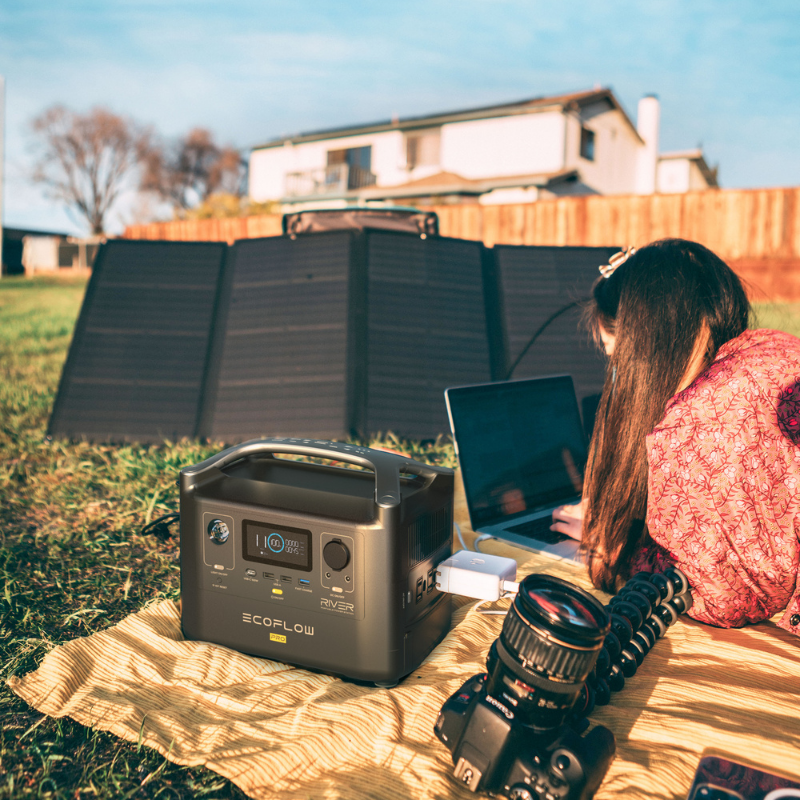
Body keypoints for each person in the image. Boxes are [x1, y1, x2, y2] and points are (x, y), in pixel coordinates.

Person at [549, 238, 800, 636]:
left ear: (645, 346)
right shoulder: (772, 348)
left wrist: (619, 554)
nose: (614, 376)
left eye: (616, 358)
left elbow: (728, 595)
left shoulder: (696, 422)